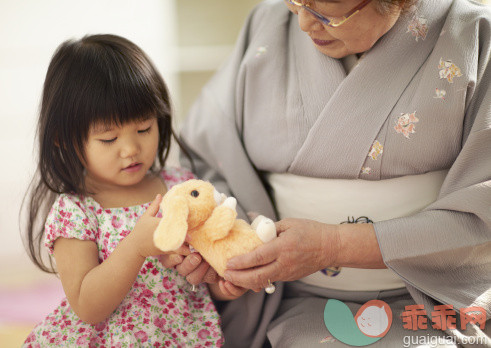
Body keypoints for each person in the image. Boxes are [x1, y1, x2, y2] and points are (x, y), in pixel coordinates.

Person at [163, 0, 491, 346]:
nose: (305, 22)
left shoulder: (473, 34)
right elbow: (207, 155)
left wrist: (335, 245)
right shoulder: (269, 20)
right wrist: (228, 247)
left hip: (427, 299)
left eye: (326, 13)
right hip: (280, 300)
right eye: (296, 2)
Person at [22, 34, 245, 347]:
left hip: (182, 336)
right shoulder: (76, 211)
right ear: (64, 140)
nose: (130, 149)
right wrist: (136, 246)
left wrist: (224, 283)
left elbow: (204, 269)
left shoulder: (179, 187)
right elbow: (88, 306)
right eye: (109, 139)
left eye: (143, 129)